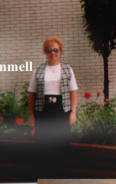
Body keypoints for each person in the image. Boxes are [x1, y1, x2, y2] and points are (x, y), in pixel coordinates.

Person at [28, 36, 78, 178]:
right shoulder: (39, 69)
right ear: (45, 52)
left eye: (56, 50)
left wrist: (73, 112)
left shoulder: (67, 69)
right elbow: (32, 93)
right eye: (49, 50)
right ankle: (44, 179)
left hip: (61, 111)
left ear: (60, 51)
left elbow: (73, 91)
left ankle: (61, 179)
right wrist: (31, 115)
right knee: (43, 146)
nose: (53, 53)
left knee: (61, 146)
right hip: (43, 112)